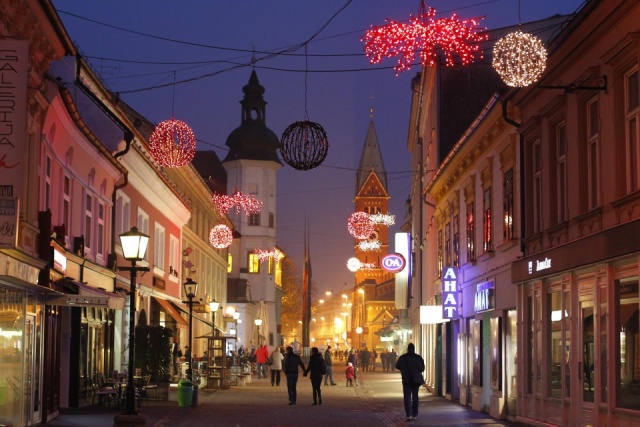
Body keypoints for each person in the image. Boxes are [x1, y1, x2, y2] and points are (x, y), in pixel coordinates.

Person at [396, 343, 425, 421]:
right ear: (414, 349)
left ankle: (408, 414)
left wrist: (404, 370)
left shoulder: (403, 357)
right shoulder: (418, 357)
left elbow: (397, 366)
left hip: (406, 380)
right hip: (415, 380)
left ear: (407, 349)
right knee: (415, 397)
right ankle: (415, 414)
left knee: (407, 397)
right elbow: (422, 368)